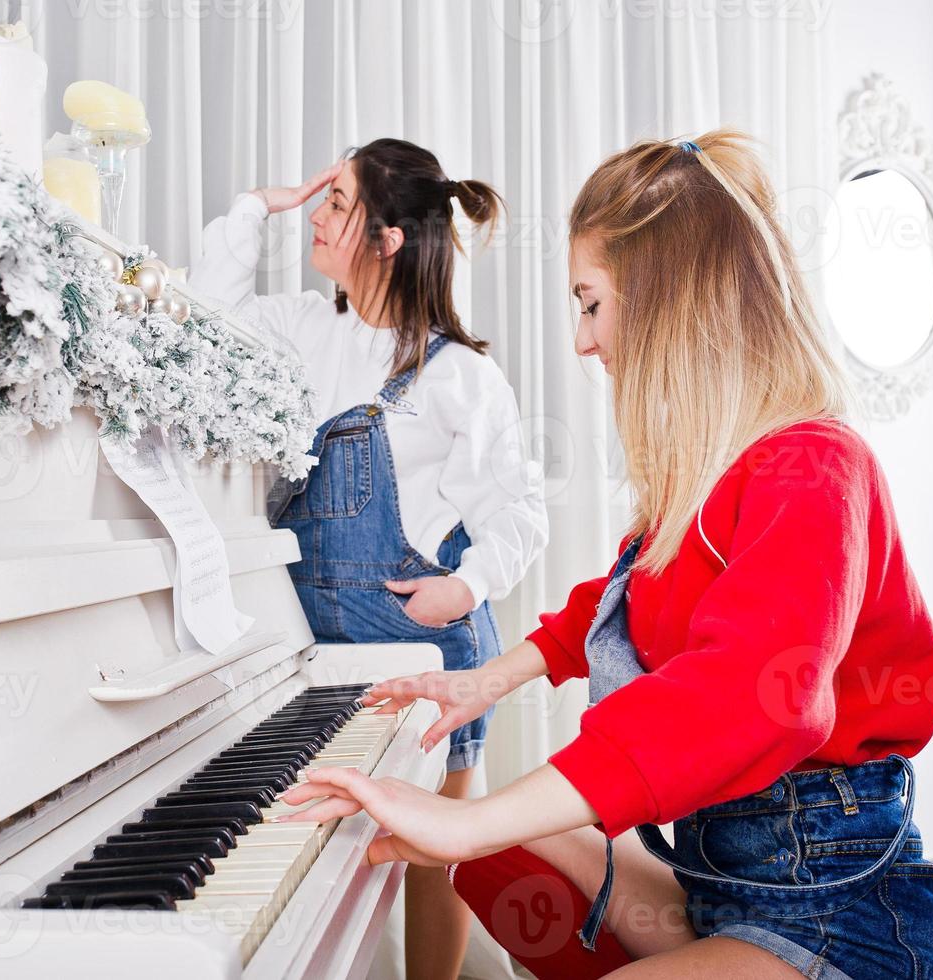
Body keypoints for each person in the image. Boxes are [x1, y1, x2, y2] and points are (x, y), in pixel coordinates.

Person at [276, 131, 933, 979]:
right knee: (501, 848)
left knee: (483, 830)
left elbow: (747, 699)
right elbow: (617, 598)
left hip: (838, 912)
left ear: (671, 300)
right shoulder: (711, 479)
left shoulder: (816, 465)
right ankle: (693, 941)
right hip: (726, 881)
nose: (581, 340)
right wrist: (482, 682)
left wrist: (459, 817)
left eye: (590, 303)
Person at [189, 138, 549, 980]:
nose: (317, 213)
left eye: (339, 203)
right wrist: (254, 209)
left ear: (388, 240)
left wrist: (462, 589)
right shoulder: (300, 329)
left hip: (425, 655)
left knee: (430, 861)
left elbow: (520, 511)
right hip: (315, 654)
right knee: (321, 862)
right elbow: (205, 316)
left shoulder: (459, 376)